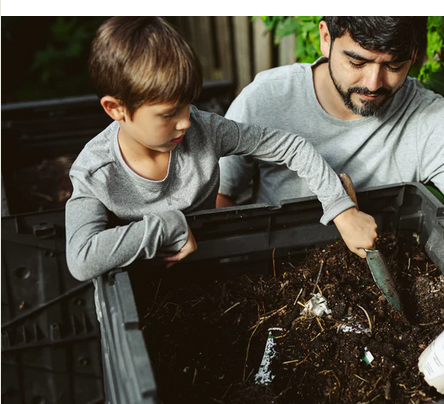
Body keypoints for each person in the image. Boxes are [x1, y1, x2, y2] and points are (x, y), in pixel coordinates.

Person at [218, 16, 444, 317]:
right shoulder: (267, 99)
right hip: (276, 278)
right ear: (326, 38)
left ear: (414, 55)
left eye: (394, 65)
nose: (373, 83)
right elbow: (221, 199)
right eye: (357, 62)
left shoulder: (427, 119)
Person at [65, 17, 377, 282]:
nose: (185, 122)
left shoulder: (204, 131)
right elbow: (81, 257)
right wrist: (170, 226)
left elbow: (289, 145)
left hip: (212, 269)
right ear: (115, 108)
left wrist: (340, 207)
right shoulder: (95, 171)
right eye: (168, 113)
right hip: (141, 286)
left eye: (187, 106)